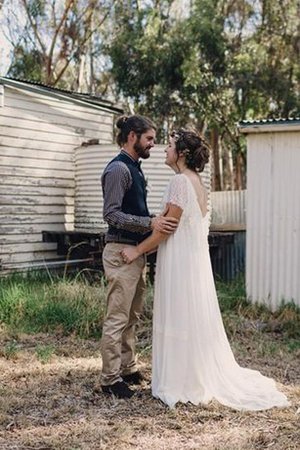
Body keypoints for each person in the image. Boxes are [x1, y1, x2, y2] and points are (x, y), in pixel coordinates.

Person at [121, 129, 290, 410]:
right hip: (193, 261)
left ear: (182, 154)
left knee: (179, 314)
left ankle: (182, 380)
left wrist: (136, 250)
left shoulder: (179, 182)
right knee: (189, 315)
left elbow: (167, 228)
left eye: (171, 145)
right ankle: (191, 373)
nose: (165, 149)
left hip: (180, 261)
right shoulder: (198, 183)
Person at [100, 114, 178, 399]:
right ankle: (109, 379)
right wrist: (150, 224)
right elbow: (111, 214)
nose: (153, 145)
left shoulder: (135, 168)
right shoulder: (118, 169)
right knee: (117, 317)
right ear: (132, 136)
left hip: (134, 254)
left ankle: (128, 367)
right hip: (120, 252)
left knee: (132, 316)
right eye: (149, 139)